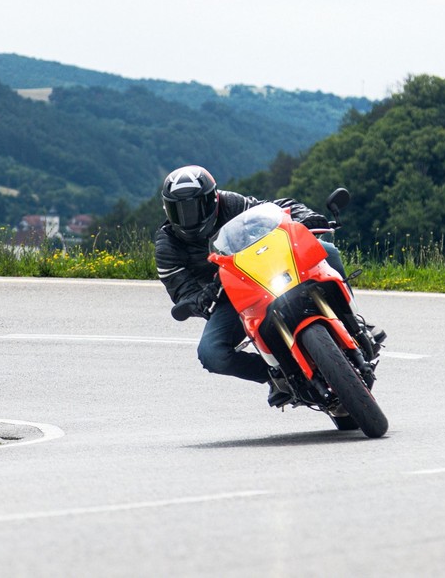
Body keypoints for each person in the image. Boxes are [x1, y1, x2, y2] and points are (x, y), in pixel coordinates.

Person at [154, 164, 382, 406]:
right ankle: (277, 376)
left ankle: (354, 322)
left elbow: (271, 210)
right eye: (178, 209)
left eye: (193, 207)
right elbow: (180, 289)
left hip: (266, 270)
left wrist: (304, 216)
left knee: (326, 250)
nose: (187, 216)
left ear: (212, 200)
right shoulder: (167, 244)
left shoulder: (232, 204)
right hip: (229, 298)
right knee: (212, 354)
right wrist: (198, 300)